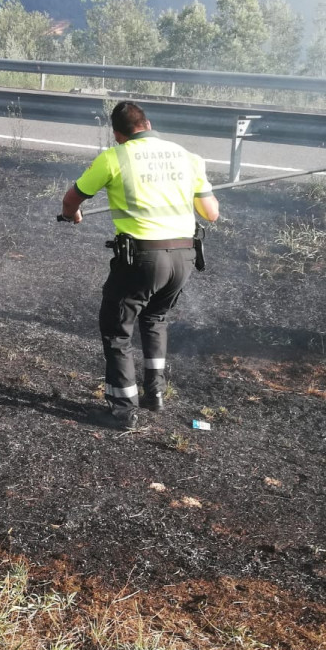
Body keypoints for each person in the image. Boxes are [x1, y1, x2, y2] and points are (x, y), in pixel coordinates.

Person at [61, 101, 219, 429]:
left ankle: (122, 411)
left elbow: (72, 199)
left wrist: (70, 214)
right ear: (148, 123)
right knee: (156, 318)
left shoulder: (114, 157)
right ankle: (156, 394)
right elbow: (210, 213)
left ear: (117, 134)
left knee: (117, 328)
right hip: (184, 257)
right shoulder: (187, 157)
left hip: (142, 258)